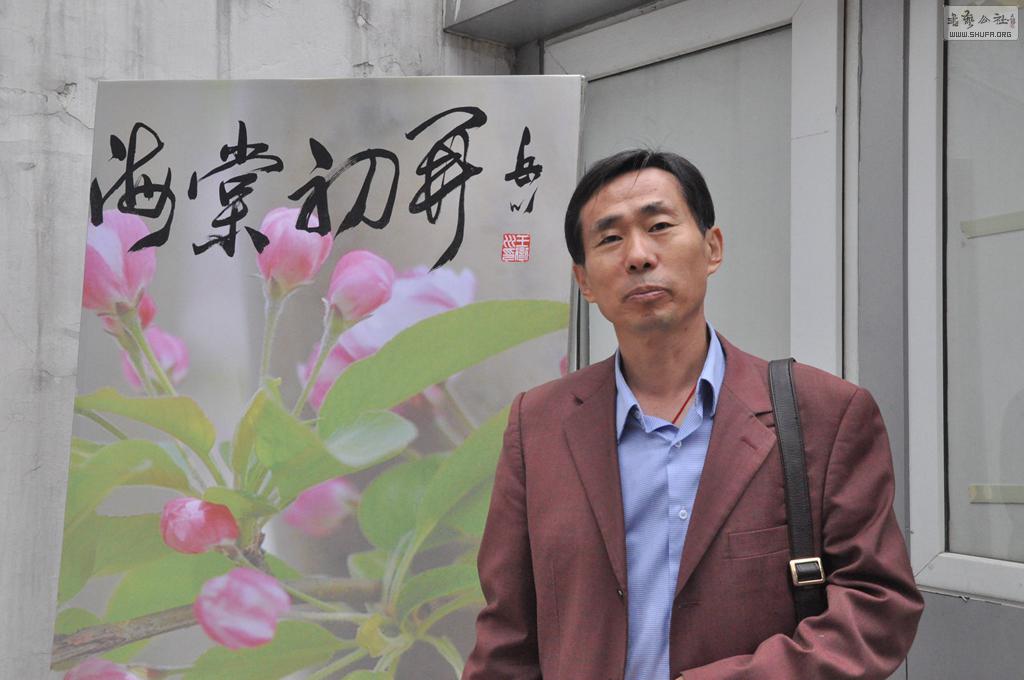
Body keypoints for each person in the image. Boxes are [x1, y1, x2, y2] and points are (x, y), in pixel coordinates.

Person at [463, 149, 923, 680]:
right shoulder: (538, 424)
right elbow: (508, 636)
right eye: (610, 239)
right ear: (584, 280)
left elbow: (877, 603)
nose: (638, 256)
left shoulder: (823, 414)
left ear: (712, 248)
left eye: (659, 226)